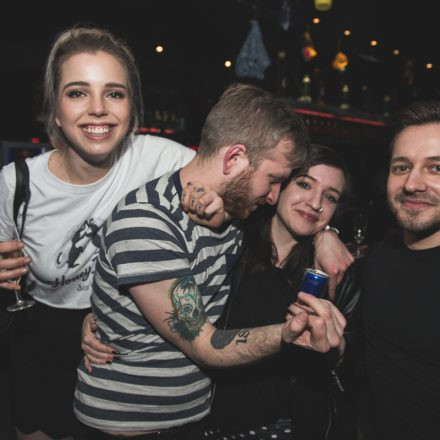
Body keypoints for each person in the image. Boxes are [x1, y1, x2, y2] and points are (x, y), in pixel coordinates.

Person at [73, 83, 348, 439]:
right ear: (234, 159)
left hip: (194, 422)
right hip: (132, 425)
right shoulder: (146, 221)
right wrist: (288, 333)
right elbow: (205, 345)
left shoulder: (233, 215)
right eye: (273, 180)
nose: (273, 196)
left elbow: (302, 216)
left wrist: (327, 234)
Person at [0, 25, 220, 440]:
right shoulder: (17, 184)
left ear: (132, 108)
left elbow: (245, 183)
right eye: (77, 93)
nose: (98, 109)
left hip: (124, 340)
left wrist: (323, 232)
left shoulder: (160, 159)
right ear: (54, 109)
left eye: (114, 93)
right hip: (41, 343)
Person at [198, 144, 361, 440]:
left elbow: (355, 370)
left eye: (330, 197)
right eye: (305, 184)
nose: (315, 203)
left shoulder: (336, 272)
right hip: (213, 424)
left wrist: (336, 350)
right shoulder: (232, 242)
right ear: (278, 187)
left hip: (291, 428)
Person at [360, 99, 440, 439]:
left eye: (436, 168)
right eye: (402, 167)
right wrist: (323, 234)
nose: (412, 184)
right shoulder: (376, 260)